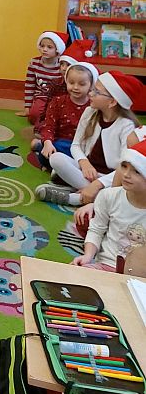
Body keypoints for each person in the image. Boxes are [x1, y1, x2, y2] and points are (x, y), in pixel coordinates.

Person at [35, 72, 140, 207]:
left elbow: (125, 168)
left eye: (97, 92)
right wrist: (84, 162)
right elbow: (76, 145)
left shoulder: (126, 126)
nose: (90, 93)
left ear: (112, 102)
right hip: (87, 171)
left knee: (120, 191)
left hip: (112, 178)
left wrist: (97, 184)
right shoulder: (90, 112)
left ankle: (75, 198)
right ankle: (92, 194)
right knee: (56, 158)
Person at [72, 141, 146, 271]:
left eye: (137, 171)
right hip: (106, 265)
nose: (126, 174)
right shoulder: (109, 196)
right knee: (72, 273)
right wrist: (87, 256)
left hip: (139, 275)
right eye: (124, 166)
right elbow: (96, 230)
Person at [31, 60, 96, 169]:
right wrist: (47, 142)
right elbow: (48, 126)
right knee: (49, 153)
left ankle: (41, 148)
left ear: (91, 85)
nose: (75, 87)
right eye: (71, 83)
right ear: (66, 82)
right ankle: (41, 146)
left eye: (82, 84)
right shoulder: (57, 102)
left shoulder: (94, 105)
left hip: (83, 146)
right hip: (60, 143)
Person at [21, 30, 66, 127]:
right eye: (42, 46)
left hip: (57, 98)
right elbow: (29, 85)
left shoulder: (62, 65)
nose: (44, 49)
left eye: (49, 47)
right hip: (41, 97)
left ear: (57, 49)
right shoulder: (34, 63)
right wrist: (27, 107)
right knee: (34, 116)